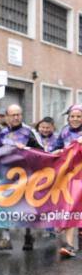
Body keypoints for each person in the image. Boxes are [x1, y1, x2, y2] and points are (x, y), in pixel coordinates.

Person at [0, 104, 41, 251]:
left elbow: (42, 152)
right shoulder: (2, 133)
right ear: (7, 116)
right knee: (3, 205)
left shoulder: (28, 133)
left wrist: (28, 149)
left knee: (25, 207)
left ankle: (29, 236)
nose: (16, 117)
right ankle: (6, 239)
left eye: (19, 114)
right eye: (13, 115)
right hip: (5, 176)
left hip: (25, 176)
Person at [54, 105, 82, 258]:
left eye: (79, 116)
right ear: (68, 117)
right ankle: (69, 245)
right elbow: (55, 147)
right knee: (71, 208)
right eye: (73, 116)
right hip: (70, 177)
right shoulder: (64, 131)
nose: (75, 119)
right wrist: (56, 151)